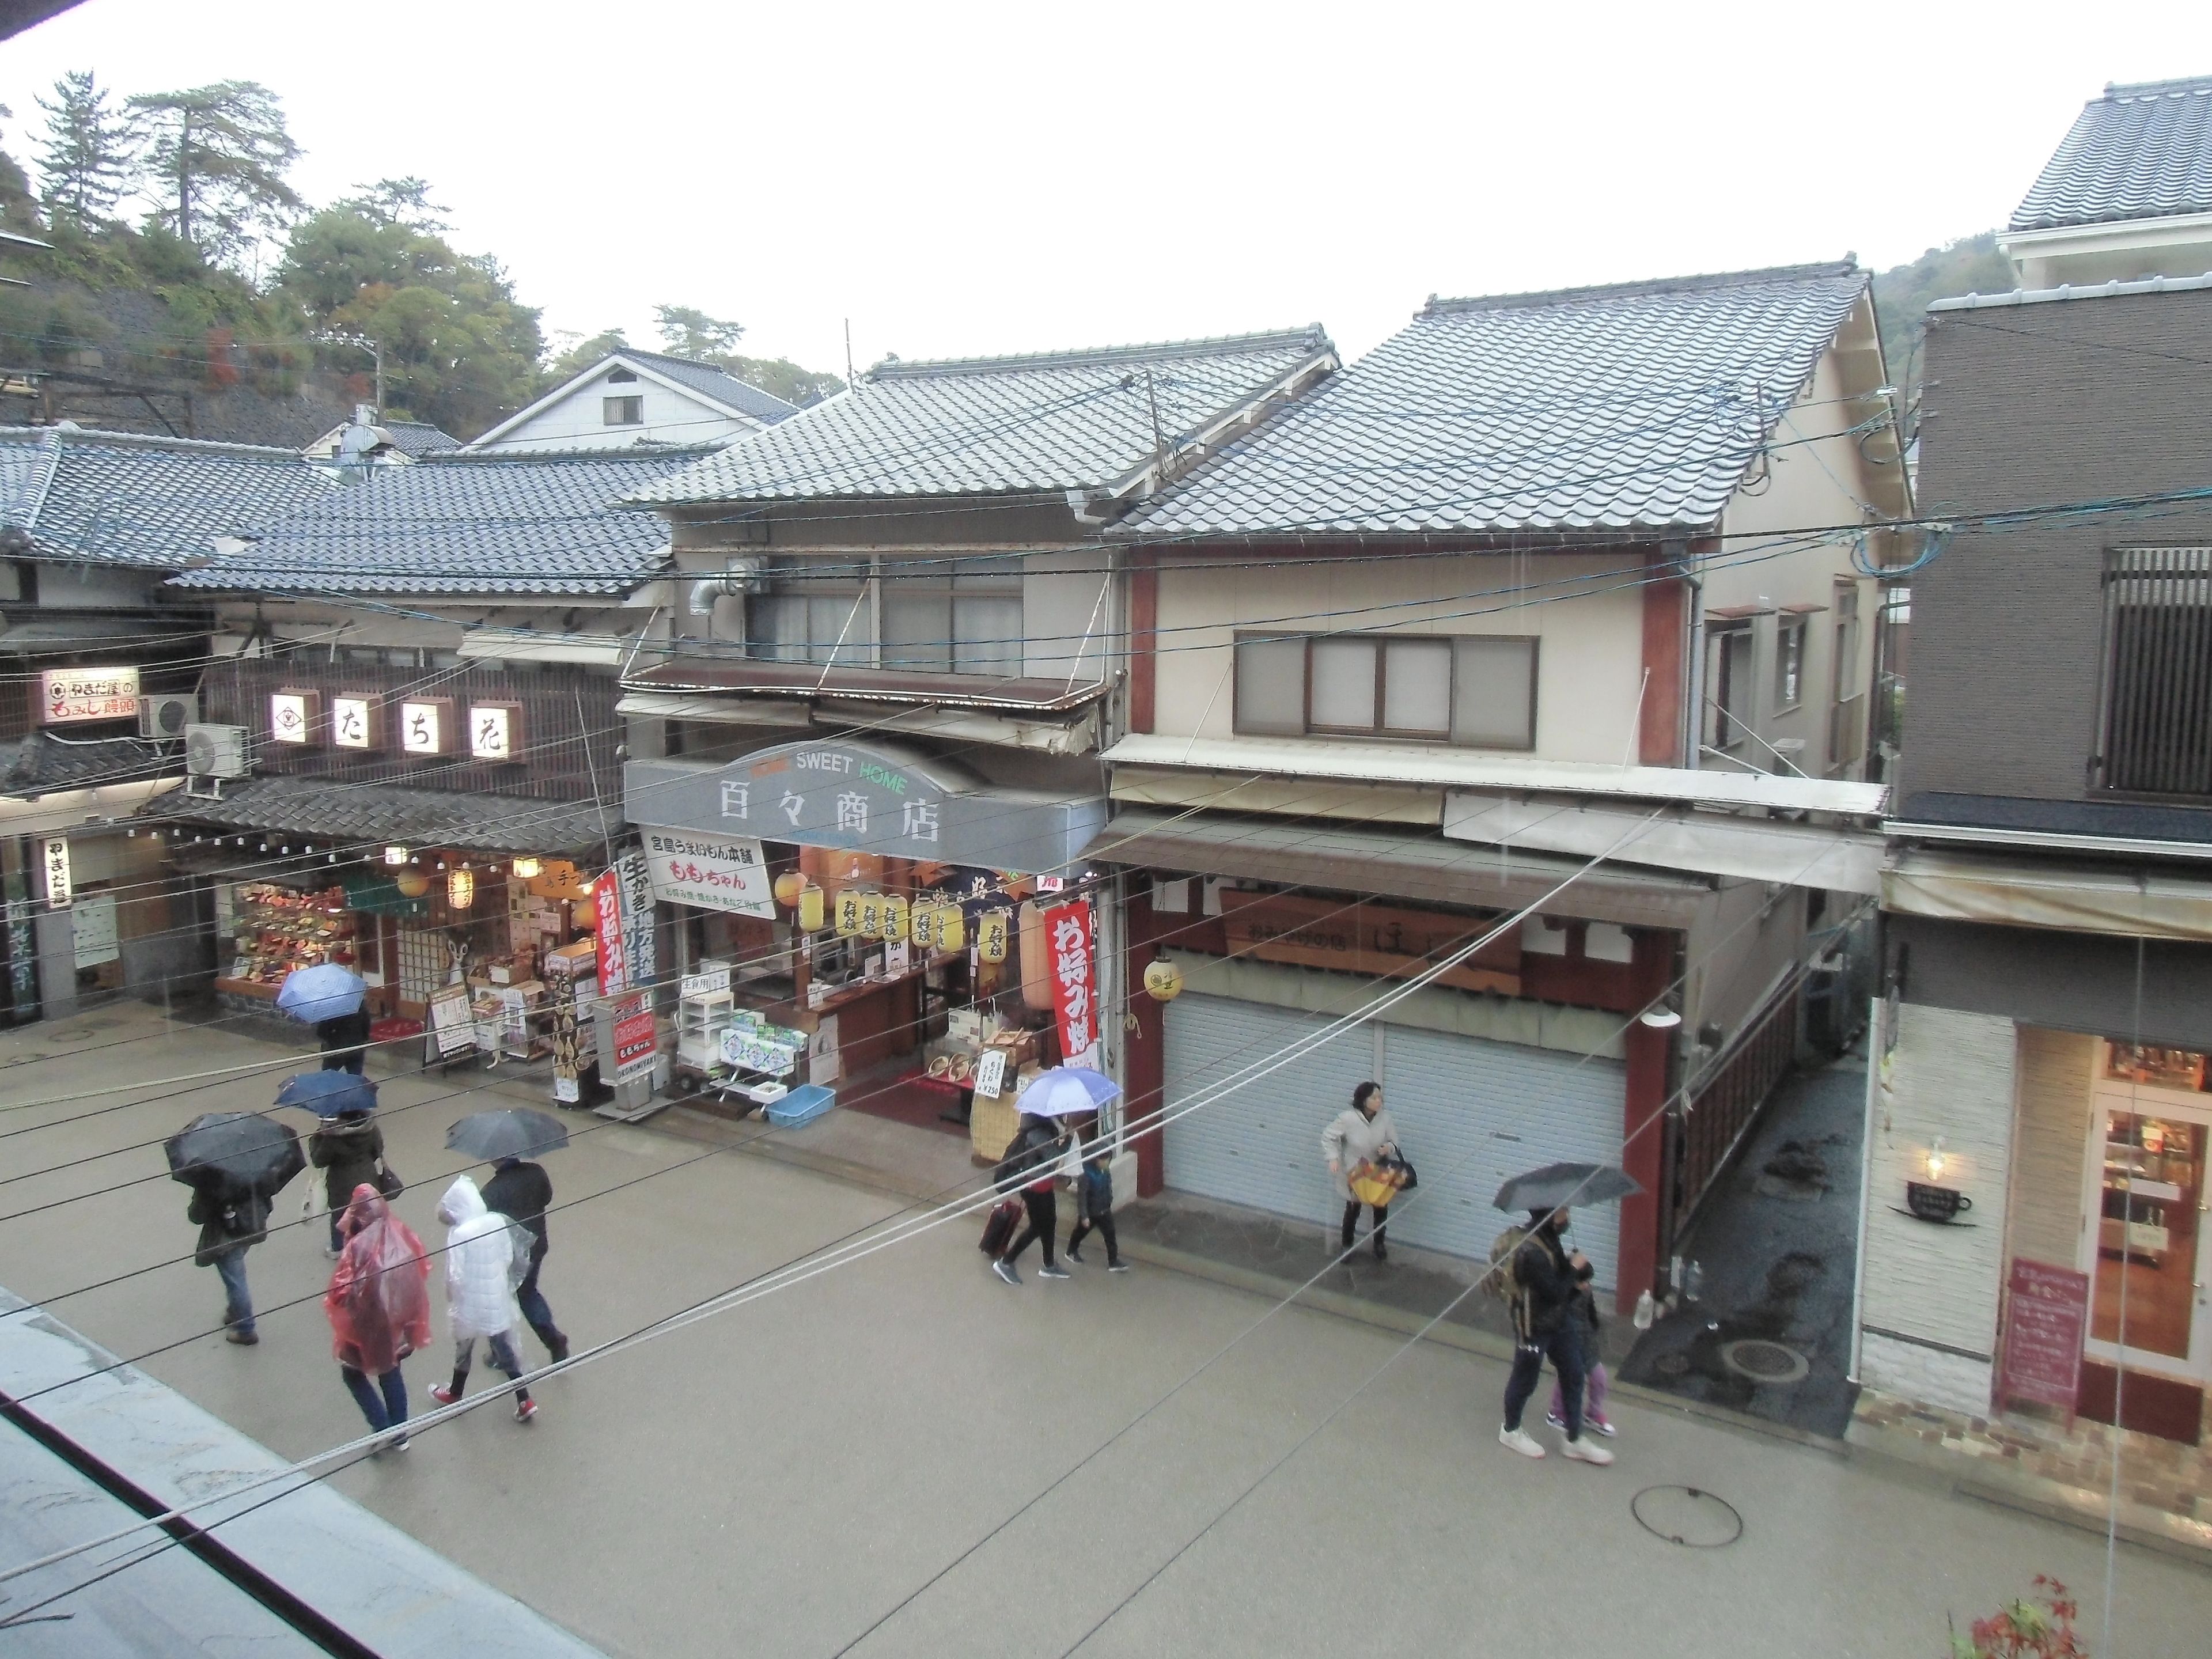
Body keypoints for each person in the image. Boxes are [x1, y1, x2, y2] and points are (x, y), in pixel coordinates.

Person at [1499, 1207, 1613, 1465]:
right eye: (1563, 1212)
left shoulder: (1550, 1239)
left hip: (1559, 1320)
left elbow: (1561, 1280)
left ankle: (1574, 1439)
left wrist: (1578, 1271)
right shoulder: (1531, 1252)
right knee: (1525, 1380)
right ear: (1549, 1215)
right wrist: (1573, 1269)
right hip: (1533, 1326)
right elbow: (1553, 1292)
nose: (1567, 1218)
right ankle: (1510, 1430)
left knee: (1574, 1373)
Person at [324, 1182, 431, 1452]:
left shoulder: (358, 1248)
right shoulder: (401, 1235)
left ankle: (381, 1428)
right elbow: (420, 1271)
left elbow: (340, 1292)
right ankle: (400, 1434)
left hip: (366, 1327)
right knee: (390, 1371)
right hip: (400, 1324)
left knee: (352, 1374)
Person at [427, 1175, 538, 1422]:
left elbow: (455, 1275)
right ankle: (524, 1399)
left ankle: (455, 1392)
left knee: (464, 1346)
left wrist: (452, 1297)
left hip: (470, 1303)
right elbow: (509, 1256)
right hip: (496, 1297)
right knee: (503, 1347)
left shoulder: (460, 1234)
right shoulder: (496, 1221)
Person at [482, 1154, 569, 1361]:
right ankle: (553, 1340)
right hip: (536, 1247)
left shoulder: (490, 1192)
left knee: (496, 1302)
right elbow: (546, 1198)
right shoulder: (536, 1172)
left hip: (507, 1256)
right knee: (528, 1294)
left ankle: (502, 1355)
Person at [1321, 1081, 1398, 1262]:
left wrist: (1388, 1148)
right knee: (1353, 1209)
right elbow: (1328, 1136)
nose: (1379, 1101)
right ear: (1364, 1100)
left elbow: (1395, 1142)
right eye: (1374, 1098)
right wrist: (1333, 1158)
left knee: (1381, 1208)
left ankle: (1379, 1243)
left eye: (1380, 1097)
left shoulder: (1385, 1119)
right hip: (1355, 1170)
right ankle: (1347, 1245)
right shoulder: (1348, 1118)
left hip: (1377, 1170)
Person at [188, 1180, 270, 1345]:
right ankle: (235, 1310)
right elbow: (268, 1203)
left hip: (226, 1237)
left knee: (236, 1281)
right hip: (251, 1228)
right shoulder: (254, 1172)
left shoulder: (213, 1178)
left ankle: (246, 1329)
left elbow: (197, 1215)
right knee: (236, 1272)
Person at [993, 1115, 1071, 1286]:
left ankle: (1049, 1265)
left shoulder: (1044, 1130)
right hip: (1034, 1188)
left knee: (1050, 1222)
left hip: (1044, 1184)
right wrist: (1068, 1141)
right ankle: (1006, 1263)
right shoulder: (1037, 1134)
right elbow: (1053, 1159)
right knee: (1037, 1227)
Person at [1546, 1277, 1617, 1438]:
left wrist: (1594, 1328)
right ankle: (1557, 1413)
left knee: (1599, 1379)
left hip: (1587, 1343)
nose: (1586, 1285)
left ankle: (1593, 1413)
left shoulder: (1586, 1290)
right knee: (1567, 1378)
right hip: (1568, 1343)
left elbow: (1590, 1313)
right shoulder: (1561, 1291)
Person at [309, 1107, 384, 1257]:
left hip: (341, 1183)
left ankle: (338, 1249)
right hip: (368, 1177)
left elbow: (319, 1161)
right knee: (368, 1212)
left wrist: (318, 1137)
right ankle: (369, 1246)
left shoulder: (332, 1137)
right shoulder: (370, 1128)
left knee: (340, 1216)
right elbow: (378, 1150)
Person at [1064, 1119, 1129, 1272]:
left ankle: (1113, 1261)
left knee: (1110, 1235)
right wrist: (1084, 1216)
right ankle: (1071, 1251)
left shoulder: (1104, 1170)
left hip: (1104, 1209)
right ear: (1097, 1159)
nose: (1107, 1163)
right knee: (1081, 1232)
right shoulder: (1086, 1174)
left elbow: (1108, 1185)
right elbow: (1082, 1197)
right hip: (1092, 1212)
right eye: (1104, 1160)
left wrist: (1109, 1199)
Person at [316, 1005, 373, 1075]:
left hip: (336, 1050)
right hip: (356, 1048)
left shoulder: (332, 1009)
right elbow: (367, 1027)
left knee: (328, 1076)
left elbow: (321, 1032)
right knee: (355, 1077)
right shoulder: (360, 1007)